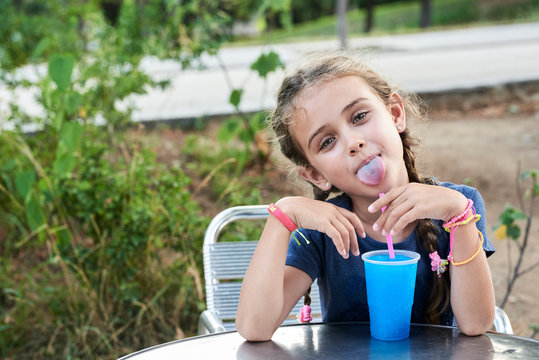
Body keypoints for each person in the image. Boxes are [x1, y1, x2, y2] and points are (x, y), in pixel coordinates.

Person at [235, 53, 496, 341]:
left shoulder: (459, 205)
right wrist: (282, 217)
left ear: (395, 114)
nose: (353, 143)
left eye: (359, 117)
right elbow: (254, 328)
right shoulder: (321, 233)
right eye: (327, 141)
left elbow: (475, 323)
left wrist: (459, 215)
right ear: (315, 174)